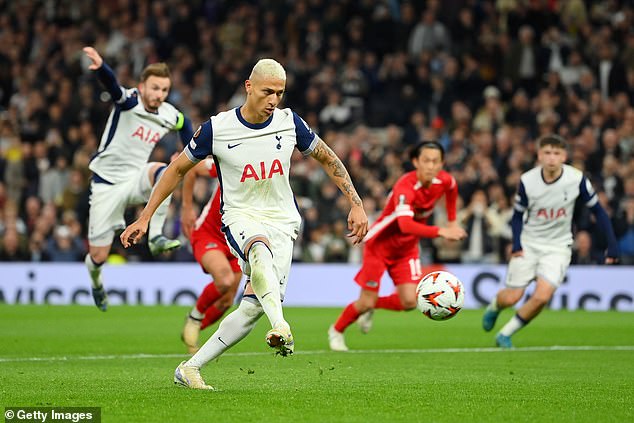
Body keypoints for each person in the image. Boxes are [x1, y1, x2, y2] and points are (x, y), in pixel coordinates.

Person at [120, 58, 368, 389]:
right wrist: (146, 216)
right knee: (258, 251)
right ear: (248, 87)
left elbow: (326, 156)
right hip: (240, 216)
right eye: (267, 92)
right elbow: (178, 168)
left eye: (279, 93)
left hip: (283, 221)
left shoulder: (289, 122)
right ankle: (281, 326)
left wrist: (356, 202)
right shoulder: (217, 129)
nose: (273, 100)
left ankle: (190, 369)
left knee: (251, 309)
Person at [82, 47, 193, 312]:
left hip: (135, 178)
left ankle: (155, 235)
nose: (159, 95)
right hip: (106, 185)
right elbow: (115, 89)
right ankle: (97, 283)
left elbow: (184, 122)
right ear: (142, 86)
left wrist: (187, 151)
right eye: (155, 88)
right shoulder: (130, 101)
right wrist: (101, 69)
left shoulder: (168, 113)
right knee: (98, 256)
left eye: (164, 90)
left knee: (165, 171)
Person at [482, 134, 619, 348]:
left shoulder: (576, 179)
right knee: (512, 297)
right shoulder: (528, 180)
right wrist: (517, 244)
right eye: (547, 152)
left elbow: (599, 212)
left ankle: (505, 333)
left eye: (556, 153)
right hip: (529, 243)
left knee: (542, 296)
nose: (551, 158)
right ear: (539, 155)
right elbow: (518, 215)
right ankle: (494, 306)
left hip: (558, 246)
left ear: (564, 156)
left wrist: (612, 245)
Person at [328, 141, 467, 352]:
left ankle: (371, 307)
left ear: (442, 163)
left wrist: (453, 221)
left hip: (407, 249)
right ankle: (336, 330)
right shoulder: (405, 187)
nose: (430, 166)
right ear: (415, 162)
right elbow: (405, 224)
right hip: (380, 245)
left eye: (435, 161)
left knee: (411, 301)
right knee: (365, 301)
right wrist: (441, 230)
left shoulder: (444, 180)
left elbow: (452, 188)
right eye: (426, 161)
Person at [179, 158, 243, 354]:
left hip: (237, 241)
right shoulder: (232, 160)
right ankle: (195, 317)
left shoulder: (269, 178)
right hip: (209, 234)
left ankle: (194, 331)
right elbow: (191, 169)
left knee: (226, 300)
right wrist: (187, 207)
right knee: (224, 279)